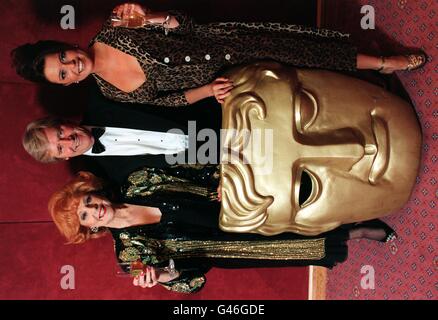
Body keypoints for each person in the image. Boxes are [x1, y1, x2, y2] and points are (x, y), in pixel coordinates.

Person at [48, 168, 397, 293]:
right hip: (233, 249)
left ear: (93, 192)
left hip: (237, 208)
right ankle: (359, 232)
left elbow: (190, 174)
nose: (95, 210)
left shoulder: (137, 183)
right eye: (87, 216)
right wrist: (162, 276)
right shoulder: (129, 259)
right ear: (89, 230)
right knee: (296, 245)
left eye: (89, 202)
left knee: (300, 213)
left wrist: (220, 184)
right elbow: (189, 281)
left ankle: (356, 205)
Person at [11, 3, 427, 107]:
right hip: (229, 78)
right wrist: (209, 90)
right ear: (69, 84)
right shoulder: (111, 93)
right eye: (63, 76)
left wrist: (151, 15)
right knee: (300, 87)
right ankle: (370, 86)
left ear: (68, 47)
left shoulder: (115, 26)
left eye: (63, 60)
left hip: (228, 44)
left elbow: (180, 23)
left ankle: (384, 63)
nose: (71, 67)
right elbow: (171, 100)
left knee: (308, 54)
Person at [22, 88, 222, 185]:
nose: (68, 141)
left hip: (216, 114)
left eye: (60, 133)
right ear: (64, 157)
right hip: (216, 162)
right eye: (60, 148)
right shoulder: (107, 179)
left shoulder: (102, 97)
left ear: (62, 122)